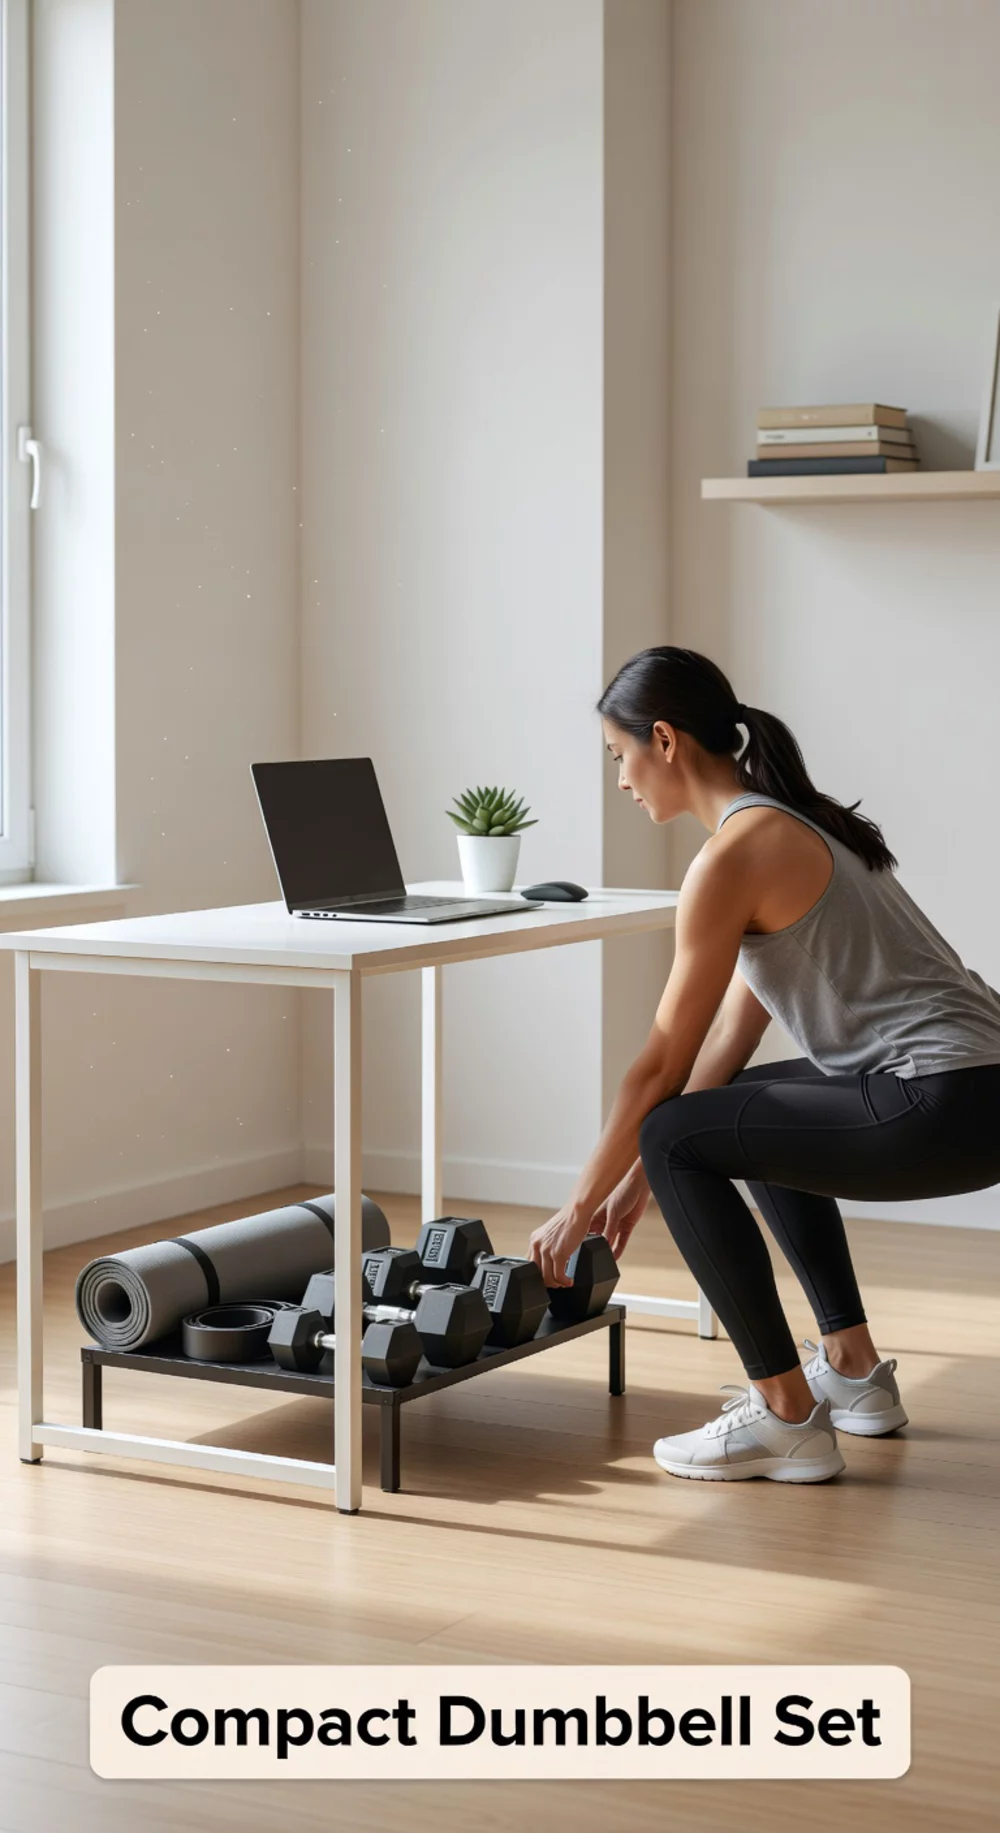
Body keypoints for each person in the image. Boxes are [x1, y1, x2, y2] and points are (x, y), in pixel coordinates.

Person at [527, 646, 1000, 1483]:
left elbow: (659, 1067)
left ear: (663, 740)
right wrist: (637, 1181)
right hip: (976, 1097)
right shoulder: (789, 820)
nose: (623, 779)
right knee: (745, 1104)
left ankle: (784, 1413)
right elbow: (729, 1045)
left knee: (676, 1129)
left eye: (619, 756)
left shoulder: (732, 855)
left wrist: (577, 1206)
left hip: (943, 1103)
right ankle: (852, 1369)